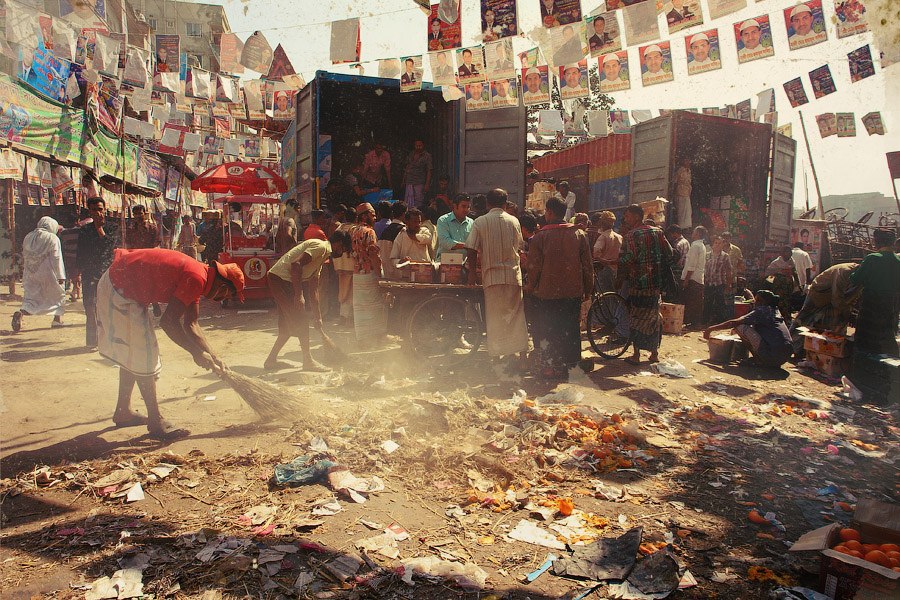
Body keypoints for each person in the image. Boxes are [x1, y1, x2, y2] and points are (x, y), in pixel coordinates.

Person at [96, 248, 244, 439]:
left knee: (133, 354)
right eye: (228, 295)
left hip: (120, 284)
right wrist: (196, 353)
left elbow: (192, 324)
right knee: (145, 354)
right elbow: (168, 322)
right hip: (119, 288)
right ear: (223, 287)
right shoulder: (196, 277)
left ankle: (123, 411)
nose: (223, 300)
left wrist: (214, 356)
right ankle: (156, 421)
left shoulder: (200, 275)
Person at [525, 196, 593, 379]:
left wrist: (530, 287)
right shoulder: (579, 235)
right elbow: (587, 266)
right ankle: (571, 367)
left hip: (547, 294)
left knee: (548, 329)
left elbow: (534, 268)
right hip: (572, 292)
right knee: (571, 329)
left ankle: (550, 367)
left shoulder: (540, 237)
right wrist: (588, 289)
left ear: (549, 212)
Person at [264, 231, 348, 371]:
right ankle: (308, 361)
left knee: (287, 325)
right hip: (280, 280)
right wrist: (298, 295)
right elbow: (296, 265)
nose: (344, 252)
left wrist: (318, 317)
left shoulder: (321, 259)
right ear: (339, 243)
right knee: (302, 321)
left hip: (280, 280)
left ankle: (271, 361)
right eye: (344, 248)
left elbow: (314, 290)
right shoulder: (321, 247)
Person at [466, 188, 529, 363]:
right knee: (516, 317)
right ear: (505, 203)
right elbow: (519, 247)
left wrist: (472, 273)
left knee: (494, 318)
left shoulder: (480, 222)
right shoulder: (514, 221)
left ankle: (497, 357)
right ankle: (521, 356)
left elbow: (471, 248)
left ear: (487, 203)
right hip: (512, 276)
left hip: (491, 277)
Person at [616, 204, 674, 365]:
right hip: (655, 283)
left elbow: (629, 258)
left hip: (639, 283)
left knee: (637, 317)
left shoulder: (630, 235)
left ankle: (636, 355)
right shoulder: (658, 232)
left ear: (635, 217)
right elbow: (669, 254)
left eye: (627, 216)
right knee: (653, 316)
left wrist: (615, 263)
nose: (625, 219)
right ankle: (654, 353)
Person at [704, 289, 793, 368]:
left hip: (771, 355)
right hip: (784, 356)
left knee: (739, 327)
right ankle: (762, 359)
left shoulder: (761, 310)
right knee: (744, 327)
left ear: (761, 301)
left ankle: (758, 359)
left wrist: (710, 329)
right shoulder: (775, 311)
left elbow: (734, 322)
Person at [789, 262, 860, 357]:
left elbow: (853, 297)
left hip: (832, 297)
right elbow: (836, 298)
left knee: (829, 325)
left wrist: (850, 311)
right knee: (804, 319)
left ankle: (818, 350)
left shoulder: (862, 278)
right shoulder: (845, 272)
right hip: (818, 293)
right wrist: (847, 312)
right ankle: (789, 345)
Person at [849, 229, 900, 356]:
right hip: (890, 304)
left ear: (877, 242)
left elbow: (855, 279)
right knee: (885, 335)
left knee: (864, 337)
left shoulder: (872, 258)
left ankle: (861, 367)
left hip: (870, 304)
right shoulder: (898, 261)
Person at [11, 217, 66, 332]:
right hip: (49, 272)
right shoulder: (53, 238)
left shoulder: (28, 236)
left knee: (32, 298)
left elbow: (25, 254)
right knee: (57, 295)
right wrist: (60, 275)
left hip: (31, 272)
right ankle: (57, 320)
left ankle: (21, 313)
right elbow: (57, 257)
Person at [77, 197, 117, 349]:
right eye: (94, 210)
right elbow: (80, 252)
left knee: (108, 307)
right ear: (90, 211)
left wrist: (100, 229)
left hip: (107, 273)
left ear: (104, 209)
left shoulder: (113, 227)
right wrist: (78, 273)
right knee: (89, 306)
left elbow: (111, 247)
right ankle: (92, 341)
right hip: (89, 273)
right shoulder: (85, 230)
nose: (98, 213)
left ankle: (109, 340)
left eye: (100, 209)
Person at [351, 202, 386, 343]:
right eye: (372, 214)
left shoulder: (354, 230)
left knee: (360, 309)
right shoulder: (369, 232)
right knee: (374, 307)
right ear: (365, 216)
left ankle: (362, 339)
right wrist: (380, 276)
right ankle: (374, 339)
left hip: (357, 275)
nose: (375, 217)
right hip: (369, 273)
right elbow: (373, 255)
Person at [391, 208, 433, 273]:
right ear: (407, 222)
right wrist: (401, 261)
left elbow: (428, 239)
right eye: (415, 222)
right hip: (407, 275)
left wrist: (411, 234)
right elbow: (393, 259)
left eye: (419, 222)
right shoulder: (401, 235)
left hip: (424, 273)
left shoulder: (424, 231)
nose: (418, 225)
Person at [703, 236, 733, 326]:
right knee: (707, 303)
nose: (717, 245)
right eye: (716, 243)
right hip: (709, 283)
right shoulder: (707, 255)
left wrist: (728, 284)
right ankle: (705, 322)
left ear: (723, 245)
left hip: (720, 283)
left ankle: (720, 323)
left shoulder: (725, 256)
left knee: (720, 304)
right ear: (713, 244)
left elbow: (729, 271)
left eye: (719, 243)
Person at [681, 225, 707, 327]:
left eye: (694, 232)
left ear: (698, 234)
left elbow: (692, 264)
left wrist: (687, 279)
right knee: (696, 302)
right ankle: (694, 322)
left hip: (693, 278)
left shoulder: (696, 246)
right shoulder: (701, 246)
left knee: (692, 301)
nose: (692, 233)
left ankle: (693, 323)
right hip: (698, 278)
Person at [765, 246, 800, 320]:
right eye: (786, 252)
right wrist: (772, 285)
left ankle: (786, 317)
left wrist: (798, 284)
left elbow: (794, 272)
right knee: (779, 302)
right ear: (782, 253)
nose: (789, 254)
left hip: (788, 286)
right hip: (779, 287)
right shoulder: (776, 263)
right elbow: (768, 276)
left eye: (790, 252)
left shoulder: (791, 261)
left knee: (788, 302)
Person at [436, 194, 473, 261]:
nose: (466, 209)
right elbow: (445, 242)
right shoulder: (443, 220)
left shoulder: (471, 222)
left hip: (464, 264)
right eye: (463, 206)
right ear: (455, 206)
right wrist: (466, 246)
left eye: (468, 207)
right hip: (445, 263)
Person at [592, 211, 622, 293]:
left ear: (602, 223)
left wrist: (604, 261)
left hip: (605, 269)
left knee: (604, 295)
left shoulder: (603, 237)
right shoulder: (619, 237)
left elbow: (595, 252)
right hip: (616, 269)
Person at [379, 201, 408, 280]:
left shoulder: (385, 230)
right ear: (404, 214)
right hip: (398, 272)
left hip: (386, 272)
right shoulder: (403, 230)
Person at [402, 140, 433, 208]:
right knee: (408, 202)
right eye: (416, 145)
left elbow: (429, 170)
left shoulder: (427, 156)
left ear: (423, 146)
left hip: (419, 182)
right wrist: (404, 180)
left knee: (418, 202)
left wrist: (427, 184)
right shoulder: (411, 154)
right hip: (409, 181)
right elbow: (407, 167)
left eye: (420, 145)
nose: (418, 147)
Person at [673, 159, 692, 228]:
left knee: (687, 211)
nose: (688, 162)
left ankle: (686, 227)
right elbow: (675, 181)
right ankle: (680, 227)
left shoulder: (689, 171)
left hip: (687, 193)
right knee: (681, 211)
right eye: (686, 161)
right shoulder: (680, 170)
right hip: (680, 192)